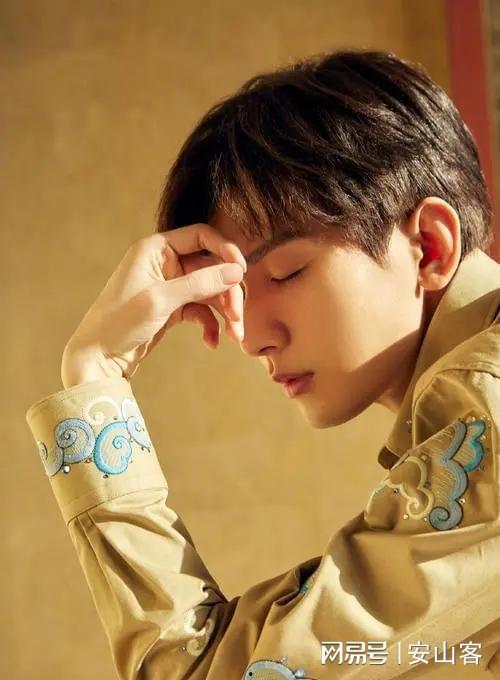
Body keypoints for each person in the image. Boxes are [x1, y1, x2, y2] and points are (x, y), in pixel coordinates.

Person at [25, 49, 500, 679]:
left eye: (287, 272)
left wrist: (94, 377)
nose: (251, 340)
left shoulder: (488, 406)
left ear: (430, 246)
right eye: (235, 293)